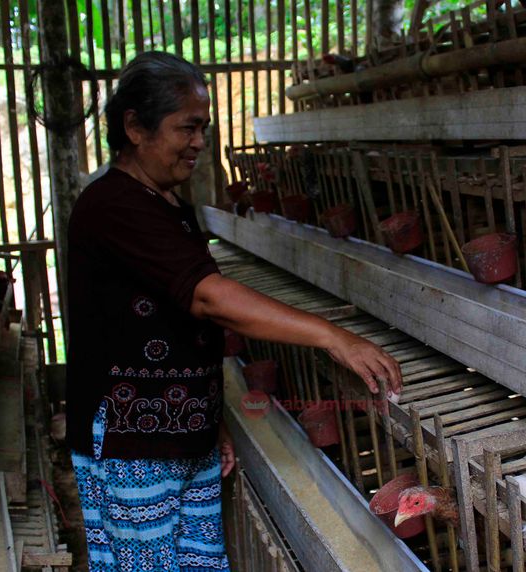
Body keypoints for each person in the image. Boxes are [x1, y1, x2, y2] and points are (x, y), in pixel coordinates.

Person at [66, 51, 403, 572]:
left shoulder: (169, 204)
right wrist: (332, 336)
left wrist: (208, 418)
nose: (201, 142)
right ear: (135, 126)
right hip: (133, 441)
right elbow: (207, 296)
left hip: (182, 432)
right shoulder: (112, 205)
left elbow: (179, 323)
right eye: (188, 128)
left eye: (204, 127)